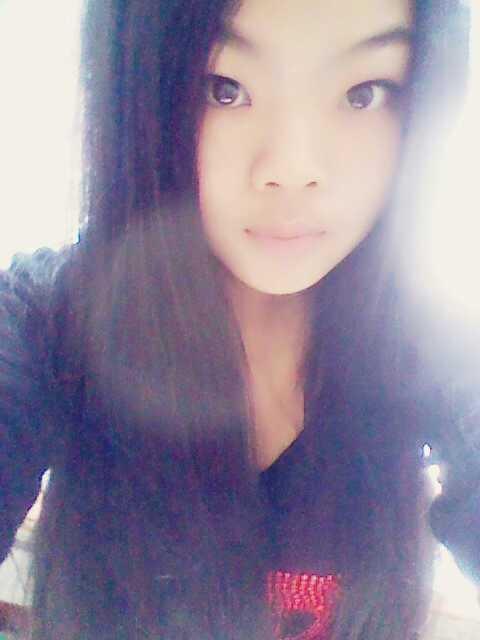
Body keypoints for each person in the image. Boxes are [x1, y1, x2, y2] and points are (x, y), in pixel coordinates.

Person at [0, 0, 476, 639]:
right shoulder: (51, 320)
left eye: (364, 93)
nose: (293, 170)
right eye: (223, 89)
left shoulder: (431, 345)